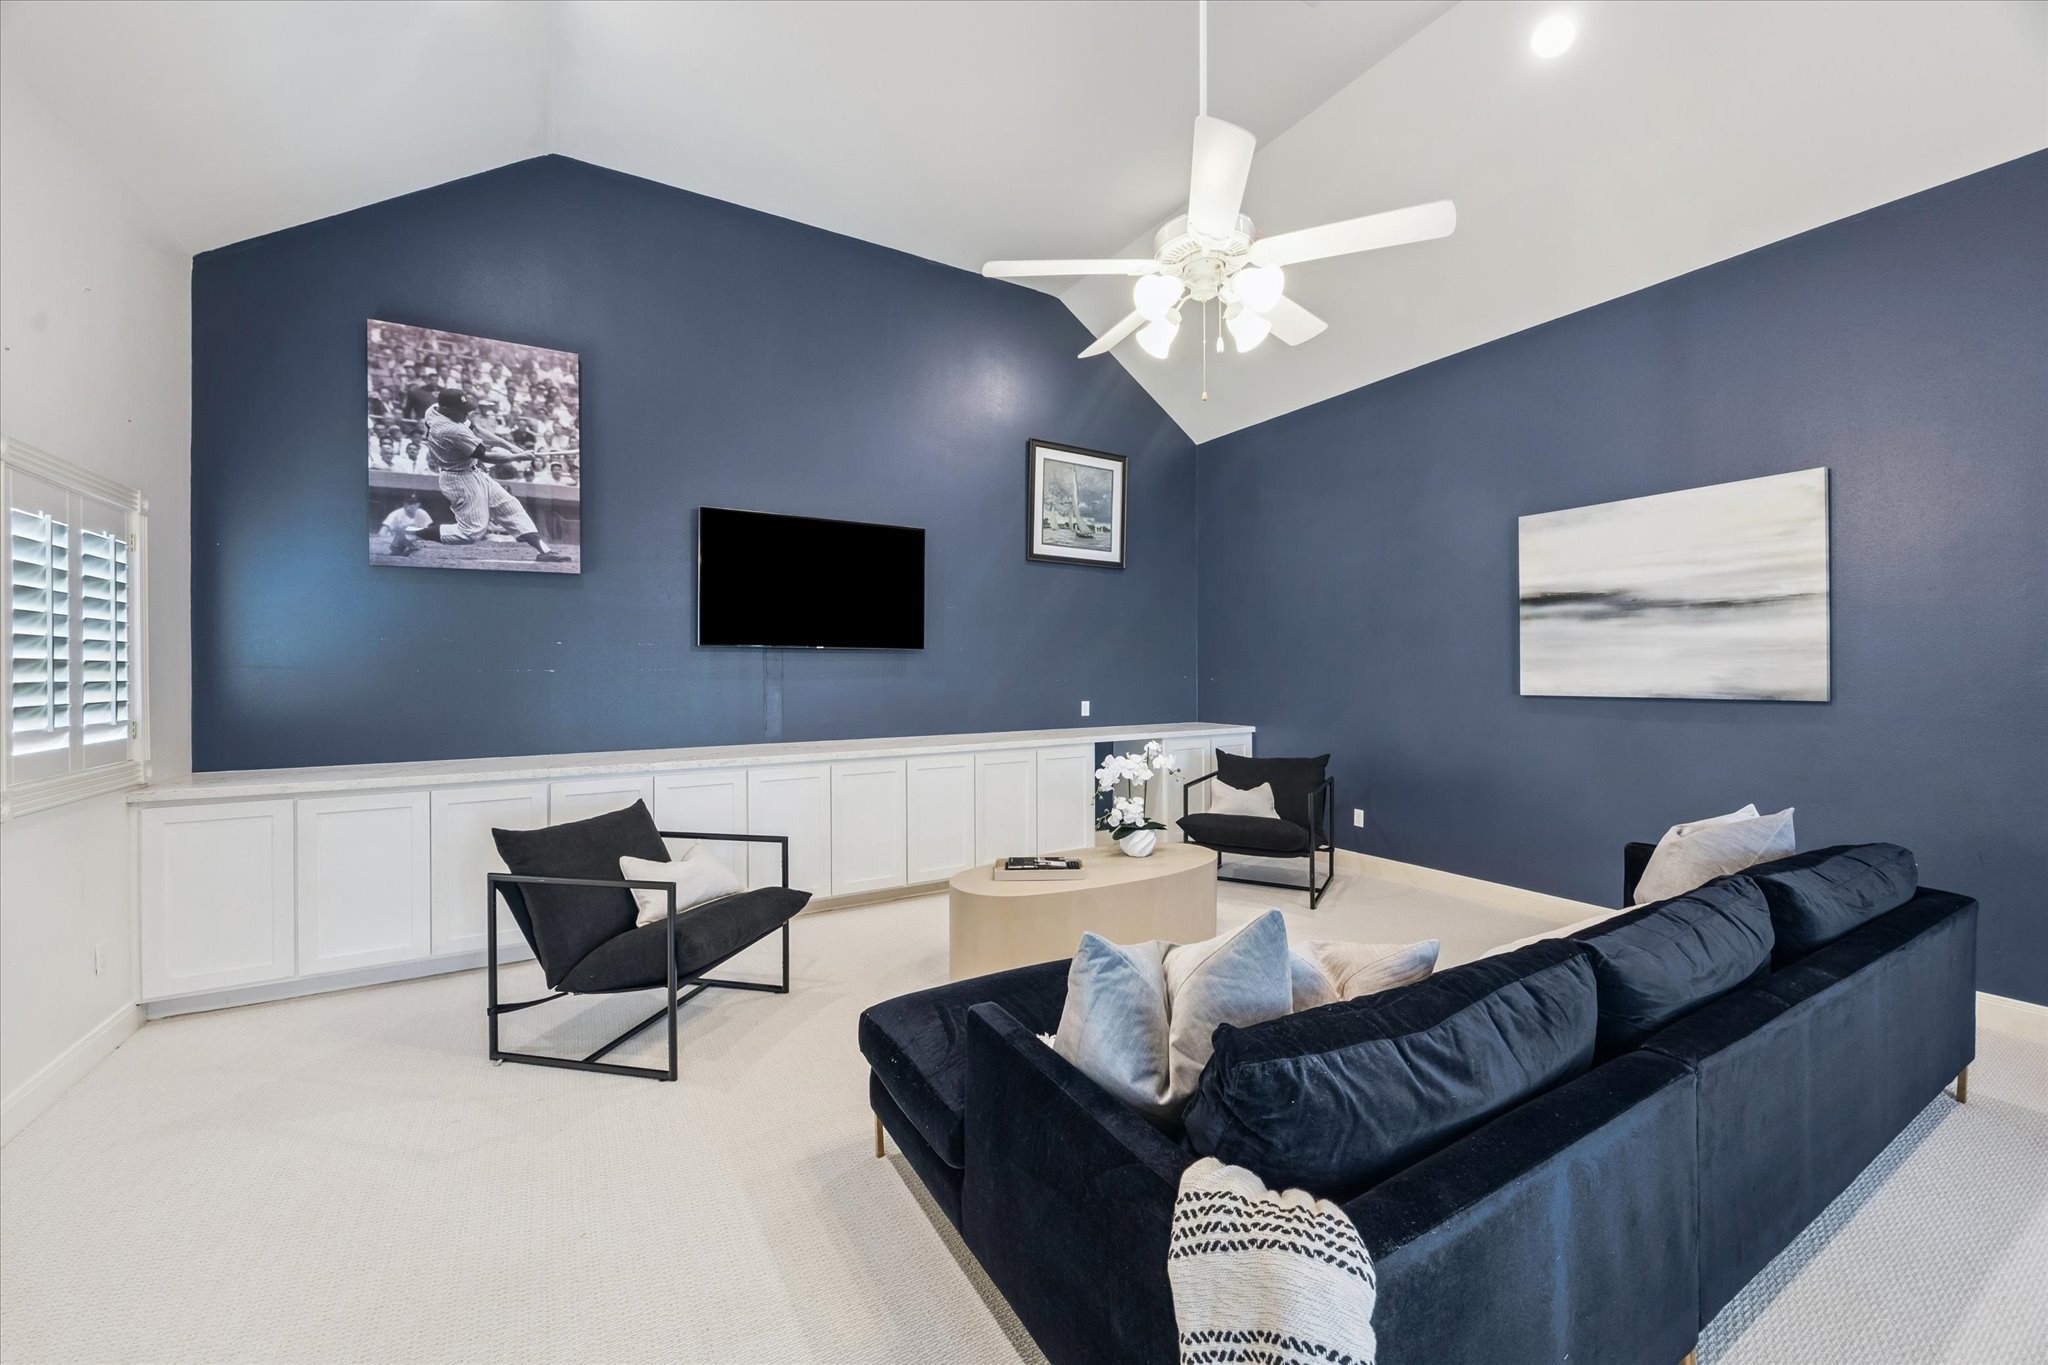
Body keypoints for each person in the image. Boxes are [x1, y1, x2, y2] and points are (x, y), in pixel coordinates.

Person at [387, 389, 569, 564]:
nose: (466, 415)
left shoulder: (433, 410)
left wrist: (510, 446)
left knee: (510, 506)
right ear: (447, 410)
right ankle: (408, 532)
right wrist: (518, 457)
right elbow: (486, 456)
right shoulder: (449, 430)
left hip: (473, 472)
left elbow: (479, 430)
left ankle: (544, 551)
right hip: (459, 479)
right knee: (471, 532)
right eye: (462, 411)